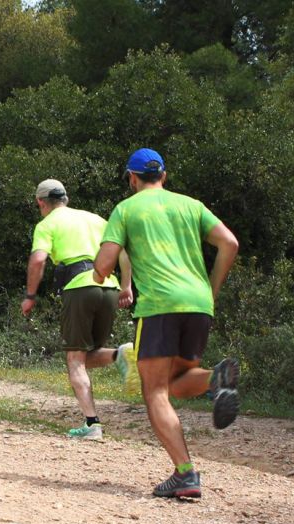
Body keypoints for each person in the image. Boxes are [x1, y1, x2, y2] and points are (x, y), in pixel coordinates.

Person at [93, 148, 240, 498]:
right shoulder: (191, 205)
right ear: (164, 175)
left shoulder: (125, 210)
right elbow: (229, 243)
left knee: (154, 391)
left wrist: (101, 271)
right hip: (198, 302)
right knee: (175, 382)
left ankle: (185, 474)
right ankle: (214, 380)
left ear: (132, 178)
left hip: (159, 305)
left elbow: (103, 265)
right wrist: (211, 289)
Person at [22, 178, 135, 440]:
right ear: (66, 199)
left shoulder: (46, 224)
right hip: (109, 287)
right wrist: (126, 287)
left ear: (41, 202)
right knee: (87, 355)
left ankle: (92, 425)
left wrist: (30, 295)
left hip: (79, 286)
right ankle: (121, 354)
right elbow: (123, 253)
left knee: (74, 360)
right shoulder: (96, 219)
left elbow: (38, 259)